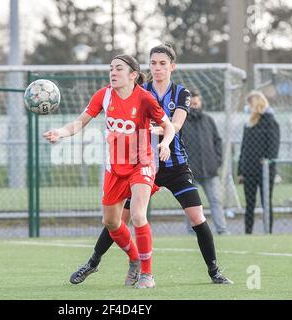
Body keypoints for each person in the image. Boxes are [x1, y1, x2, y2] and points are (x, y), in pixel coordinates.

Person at [69, 44, 233, 286]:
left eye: (162, 63)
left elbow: (175, 125)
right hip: (142, 165)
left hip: (174, 165)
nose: (157, 68)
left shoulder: (181, 94)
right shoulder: (138, 91)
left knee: (197, 217)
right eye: (154, 63)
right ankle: (92, 263)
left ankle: (214, 271)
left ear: (172, 67)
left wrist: (155, 130)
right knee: (118, 219)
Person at [44, 54, 176, 289]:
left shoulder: (144, 99)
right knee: (111, 222)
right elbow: (79, 122)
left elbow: (168, 126)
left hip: (141, 164)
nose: (113, 73)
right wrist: (60, 133)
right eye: (111, 69)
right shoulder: (103, 95)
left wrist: (165, 143)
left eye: (118, 69)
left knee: (137, 215)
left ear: (133, 75)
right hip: (114, 167)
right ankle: (135, 259)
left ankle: (147, 275)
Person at [182, 89, 228, 235]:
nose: (195, 105)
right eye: (192, 103)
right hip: (190, 171)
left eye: (197, 102)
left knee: (216, 200)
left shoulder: (208, 120)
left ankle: (222, 230)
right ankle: (191, 232)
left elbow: (217, 141)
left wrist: (217, 161)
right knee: (190, 204)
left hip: (210, 169)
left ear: (200, 102)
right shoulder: (181, 121)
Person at [238, 91, 280, 234]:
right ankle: (248, 232)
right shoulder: (248, 123)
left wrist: (267, 164)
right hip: (248, 170)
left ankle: (268, 231)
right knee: (249, 204)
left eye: (250, 104)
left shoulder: (270, 121)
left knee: (266, 203)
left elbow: (273, 147)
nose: (248, 107)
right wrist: (240, 170)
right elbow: (243, 148)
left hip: (265, 171)